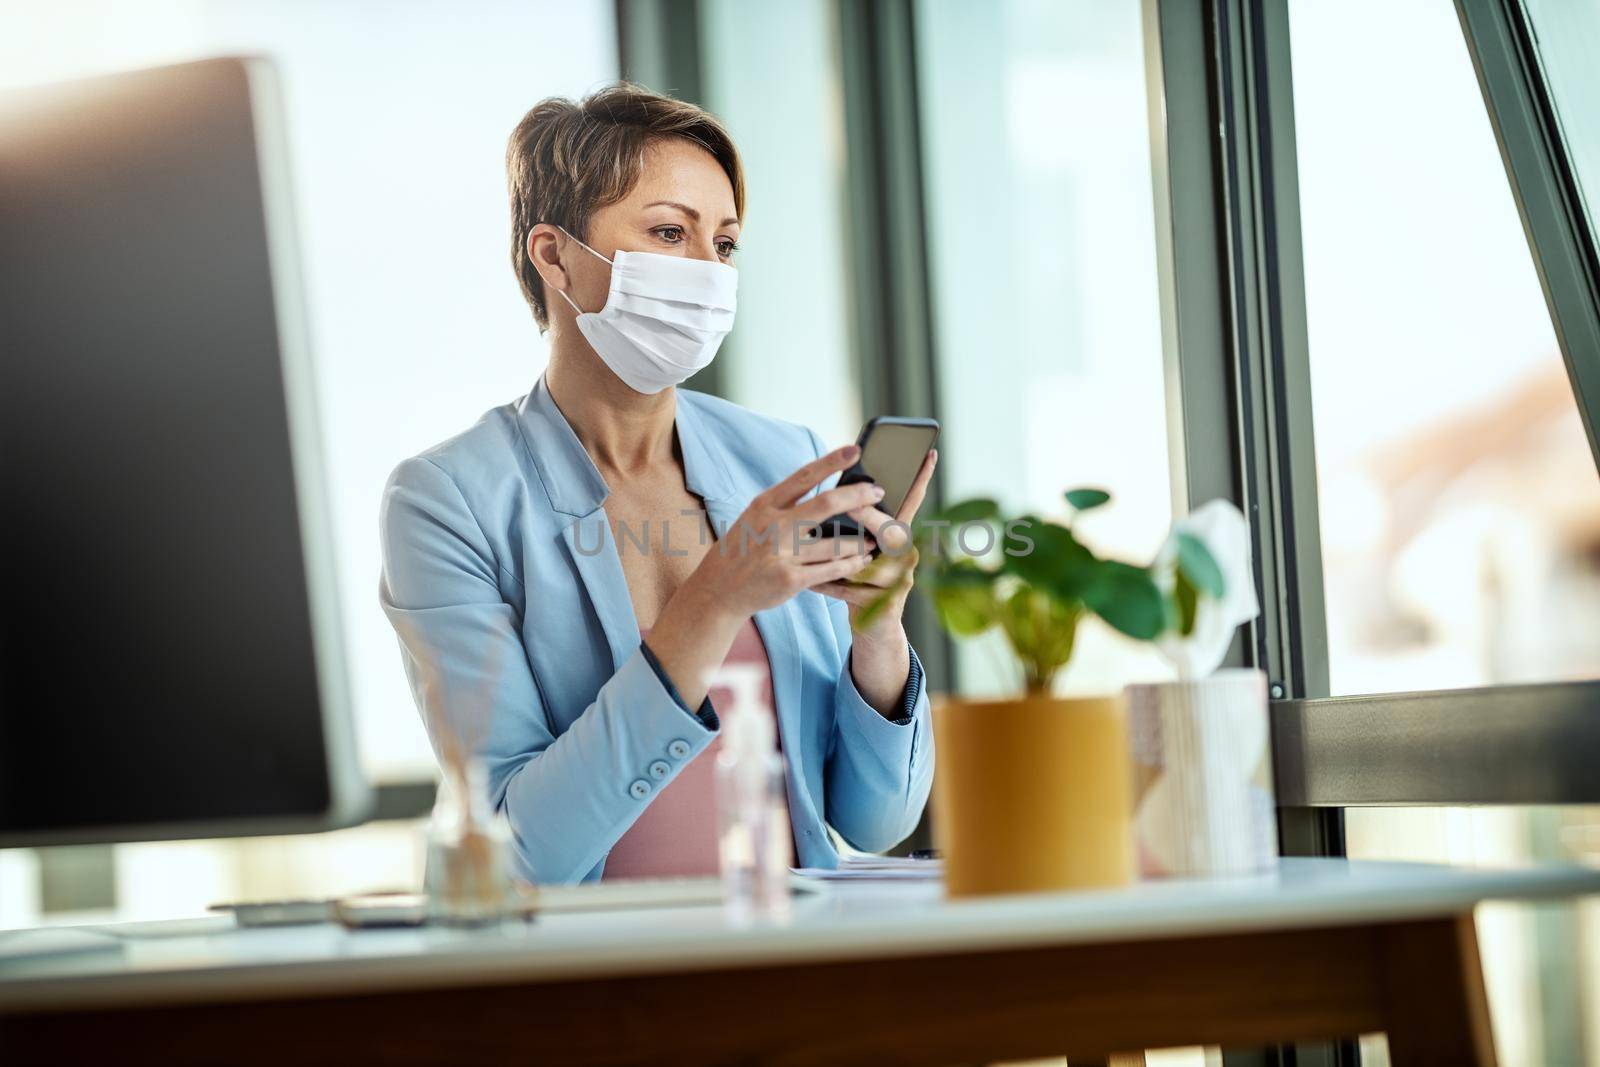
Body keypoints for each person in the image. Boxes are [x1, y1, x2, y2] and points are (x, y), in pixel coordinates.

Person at [379, 83, 936, 885]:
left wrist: (878, 631)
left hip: (792, 958)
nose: (707, 271)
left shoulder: (786, 462)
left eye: (725, 243)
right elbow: (514, 859)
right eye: (670, 232)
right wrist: (713, 600)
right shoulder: (445, 500)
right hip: (594, 984)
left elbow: (875, 821)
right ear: (554, 255)